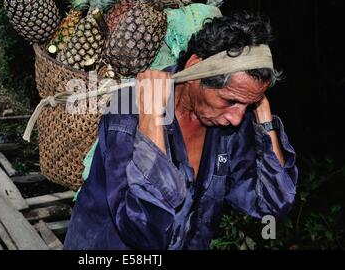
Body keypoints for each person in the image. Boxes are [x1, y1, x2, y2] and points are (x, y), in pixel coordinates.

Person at [64, 12, 298, 250]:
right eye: (230, 100)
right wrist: (152, 121)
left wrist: (265, 120)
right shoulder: (128, 112)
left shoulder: (228, 126)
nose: (237, 117)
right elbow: (143, 232)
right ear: (195, 69)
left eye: (249, 104)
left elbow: (272, 203)